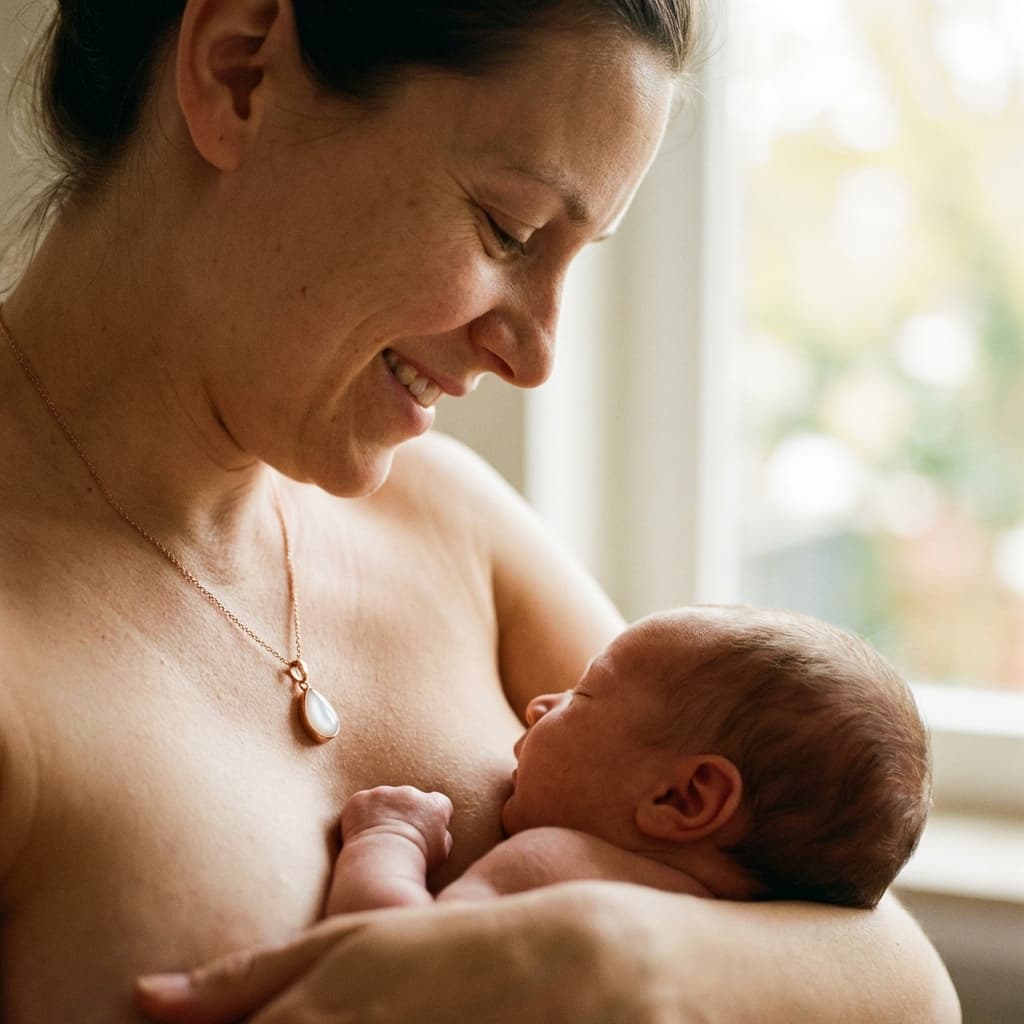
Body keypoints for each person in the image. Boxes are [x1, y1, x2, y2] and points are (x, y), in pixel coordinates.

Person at [0, 1, 959, 1022]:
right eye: (508, 228)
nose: (536, 355)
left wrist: (614, 955)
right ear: (241, 73)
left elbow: (905, 982)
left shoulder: (453, 524)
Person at [327, 606, 931, 915]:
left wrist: (390, 838)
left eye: (582, 694)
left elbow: (377, 958)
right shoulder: (745, 934)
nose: (540, 703)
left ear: (683, 798)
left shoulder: (556, 869)